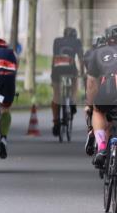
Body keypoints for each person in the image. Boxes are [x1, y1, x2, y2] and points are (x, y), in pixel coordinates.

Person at [88, 26, 117, 169]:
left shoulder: (98, 53)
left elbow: (92, 83)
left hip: (110, 86)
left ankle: (102, 147)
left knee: (98, 111)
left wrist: (90, 104)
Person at [50, 26, 83, 136]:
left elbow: (54, 57)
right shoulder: (77, 42)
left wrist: (52, 72)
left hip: (57, 68)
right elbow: (81, 58)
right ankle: (72, 101)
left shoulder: (57, 41)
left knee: (56, 94)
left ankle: (55, 122)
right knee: (74, 83)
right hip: (70, 68)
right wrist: (82, 72)